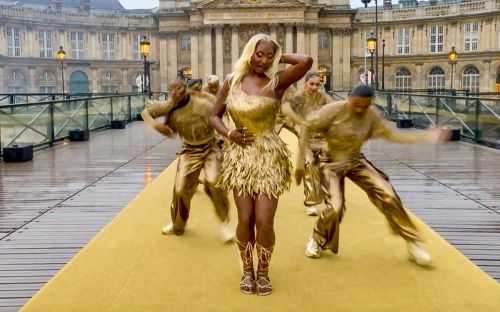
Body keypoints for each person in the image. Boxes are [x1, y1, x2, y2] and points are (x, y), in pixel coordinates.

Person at [295, 84, 450, 265]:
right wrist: (300, 164)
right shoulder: (332, 111)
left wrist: (426, 137)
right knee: (335, 207)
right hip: (331, 163)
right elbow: (306, 128)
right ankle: (317, 238)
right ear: (349, 99)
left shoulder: (371, 115)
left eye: (365, 106)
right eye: (356, 105)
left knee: (389, 195)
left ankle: (412, 242)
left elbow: (393, 136)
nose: (360, 110)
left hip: (355, 160)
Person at [211, 33, 312, 296]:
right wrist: (229, 133)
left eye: (270, 56)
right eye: (259, 54)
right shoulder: (232, 82)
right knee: (246, 218)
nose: (264, 60)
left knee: (265, 220)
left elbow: (306, 61)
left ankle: (263, 271)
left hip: (269, 158)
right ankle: (247, 270)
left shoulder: (277, 83)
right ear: (249, 53)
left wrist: (279, 55)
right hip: (240, 158)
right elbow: (214, 116)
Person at [141, 79, 235, 243]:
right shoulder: (169, 106)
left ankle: (224, 223)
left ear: (185, 91)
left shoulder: (203, 105)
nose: (175, 93)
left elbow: (218, 118)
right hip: (190, 150)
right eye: (172, 90)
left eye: (179, 89)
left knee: (214, 183)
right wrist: (157, 126)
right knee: (180, 189)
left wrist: (226, 138)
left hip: (210, 147)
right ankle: (178, 223)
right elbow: (145, 113)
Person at [286, 71, 333, 216]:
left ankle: (330, 199)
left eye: (317, 85)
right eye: (311, 84)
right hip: (306, 139)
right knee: (310, 168)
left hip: (323, 139)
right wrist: (297, 130)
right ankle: (311, 202)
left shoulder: (323, 97)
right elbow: (285, 114)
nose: (314, 87)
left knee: (326, 168)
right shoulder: (297, 98)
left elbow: (334, 110)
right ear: (305, 83)